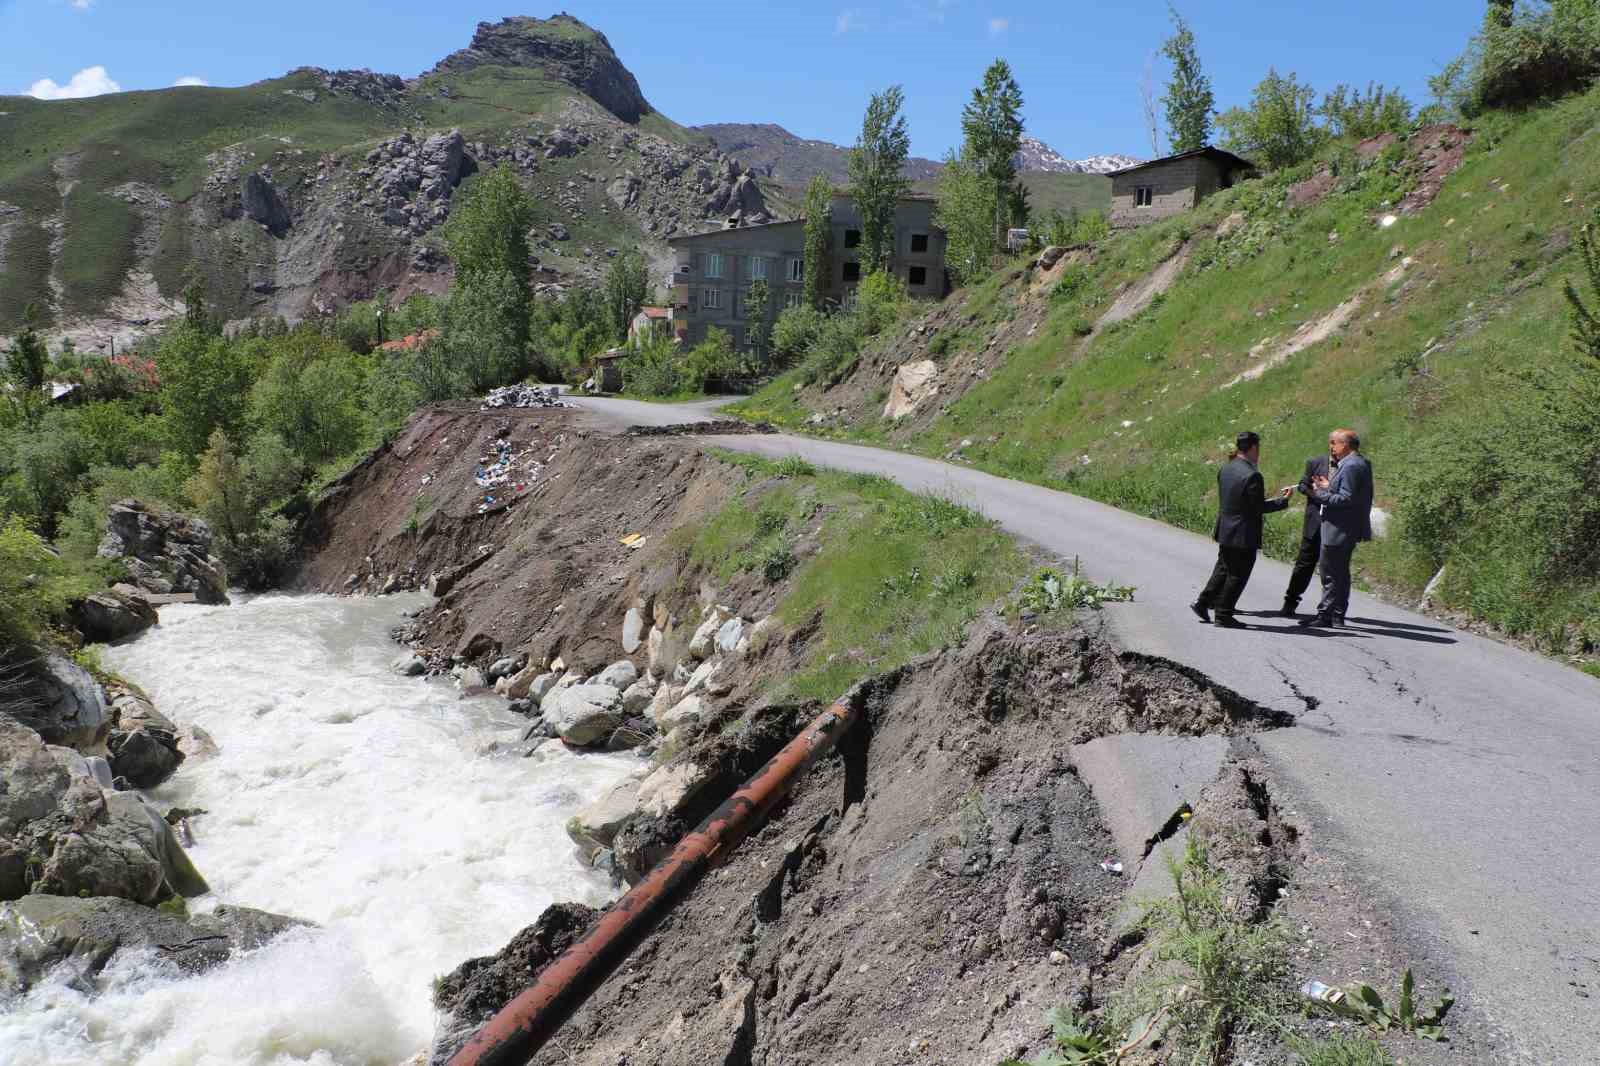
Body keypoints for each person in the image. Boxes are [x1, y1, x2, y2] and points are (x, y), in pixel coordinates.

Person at [1191, 431, 1294, 629]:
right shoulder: (1253, 475)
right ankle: (1224, 613)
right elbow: (1257, 508)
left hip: (1226, 528)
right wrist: (1283, 501)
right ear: (1254, 448)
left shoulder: (1226, 468)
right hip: (1243, 533)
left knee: (1223, 568)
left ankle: (1203, 603)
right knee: (1238, 574)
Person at [1299, 428, 1374, 628]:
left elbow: (1345, 498)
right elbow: (1349, 493)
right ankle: (1337, 615)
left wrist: (1318, 494)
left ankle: (1326, 615)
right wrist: (1328, 486)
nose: (1330, 447)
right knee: (1340, 572)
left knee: (1330, 572)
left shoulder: (1350, 466)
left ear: (1346, 445)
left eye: (1333, 442)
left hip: (1338, 527)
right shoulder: (1359, 462)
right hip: (1345, 527)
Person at [1279, 448, 1332, 617]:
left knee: (1333, 567)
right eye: (1331, 444)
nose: (1333, 449)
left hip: (1336, 524)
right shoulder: (1316, 462)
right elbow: (1302, 484)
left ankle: (1331, 611)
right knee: (1304, 563)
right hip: (1315, 521)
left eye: (1336, 444)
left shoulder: (1349, 466)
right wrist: (1314, 491)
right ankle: (1291, 601)